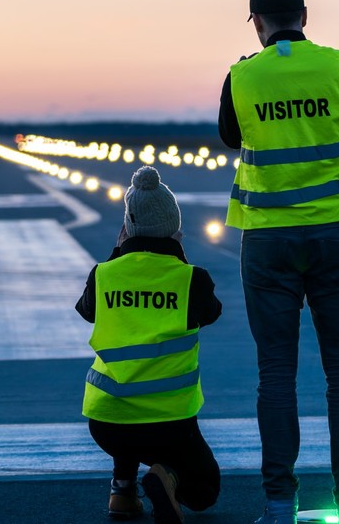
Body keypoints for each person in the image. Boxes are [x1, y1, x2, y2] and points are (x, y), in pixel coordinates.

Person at [218, 0, 339, 524]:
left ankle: (277, 505)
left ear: (257, 23)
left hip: (268, 238)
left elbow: (229, 135)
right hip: (338, 233)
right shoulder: (337, 64)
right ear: (305, 16)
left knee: (275, 373)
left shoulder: (241, 75)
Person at [75, 165, 223, 524]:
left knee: (127, 414)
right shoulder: (190, 279)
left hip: (107, 421)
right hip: (168, 420)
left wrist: (118, 252)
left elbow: (87, 311)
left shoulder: (104, 274)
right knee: (205, 489)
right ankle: (167, 475)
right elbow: (211, 313)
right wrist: (177, 258)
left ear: (127, 227)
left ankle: (122, 491)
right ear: (175, 227)